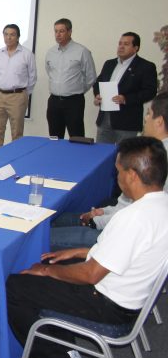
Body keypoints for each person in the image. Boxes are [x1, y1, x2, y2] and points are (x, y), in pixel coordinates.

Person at [7, 136, 168, 358]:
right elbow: (124, 254)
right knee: (51, 272)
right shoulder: (160, 206)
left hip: (108, 305)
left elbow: (90, 275)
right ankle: (66, 351)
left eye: (119, 172)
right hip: (126, 297)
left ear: (132, 176)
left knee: (14, 287)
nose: (117, 178)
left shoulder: (134, 217)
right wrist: (82, 252)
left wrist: (47, 271)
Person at [50, 92, 168, 250]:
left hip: (119, 235)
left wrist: (94, 220)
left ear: (159, 121)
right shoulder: (154, 149)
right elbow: (126, 204)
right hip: (114, 218)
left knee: (44, 237)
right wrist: (101, 212)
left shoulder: (156, 158)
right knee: (53, 220)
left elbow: (130, 217)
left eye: (149, 113)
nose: (145, 118)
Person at [93, 32, 157, 144]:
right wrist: (98, 95)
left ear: (136, 48)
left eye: (126, 44)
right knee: (101, 152)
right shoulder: (109, 64)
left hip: (127, 121)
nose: (121, 47)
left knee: (124, 153)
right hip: (105, 119)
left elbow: (150, 91)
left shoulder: (146, 66)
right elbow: (98, 83)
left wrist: (126, 99)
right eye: (120, 43)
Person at [45, 19, 96, 138]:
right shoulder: (51, 52)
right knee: (54, 137)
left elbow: (91, 77)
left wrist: (77, 90)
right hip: (54, 101)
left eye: (61, 31)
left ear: (69, 32)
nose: (58, 34)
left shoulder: (82, 51)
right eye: (56, 31)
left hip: (73, 101)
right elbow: (49, 72)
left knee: (77, 137)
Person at [0, 24, 37, 150]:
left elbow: (33, 77)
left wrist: (23, 94)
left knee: (17, 133)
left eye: (12, 35)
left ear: (18, 37)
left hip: (17, 96)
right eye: (6, 34)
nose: (8, 37)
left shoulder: (27, 54)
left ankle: (15, 159)